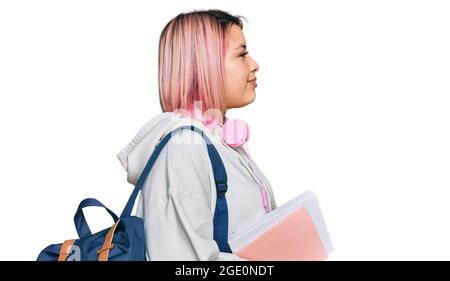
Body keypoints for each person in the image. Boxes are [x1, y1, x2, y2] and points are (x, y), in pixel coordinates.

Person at [117, 9, 277, 261]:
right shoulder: (183, 147)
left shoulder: (216, 140)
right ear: (204, 65)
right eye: (242, 54)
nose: (254, 64)